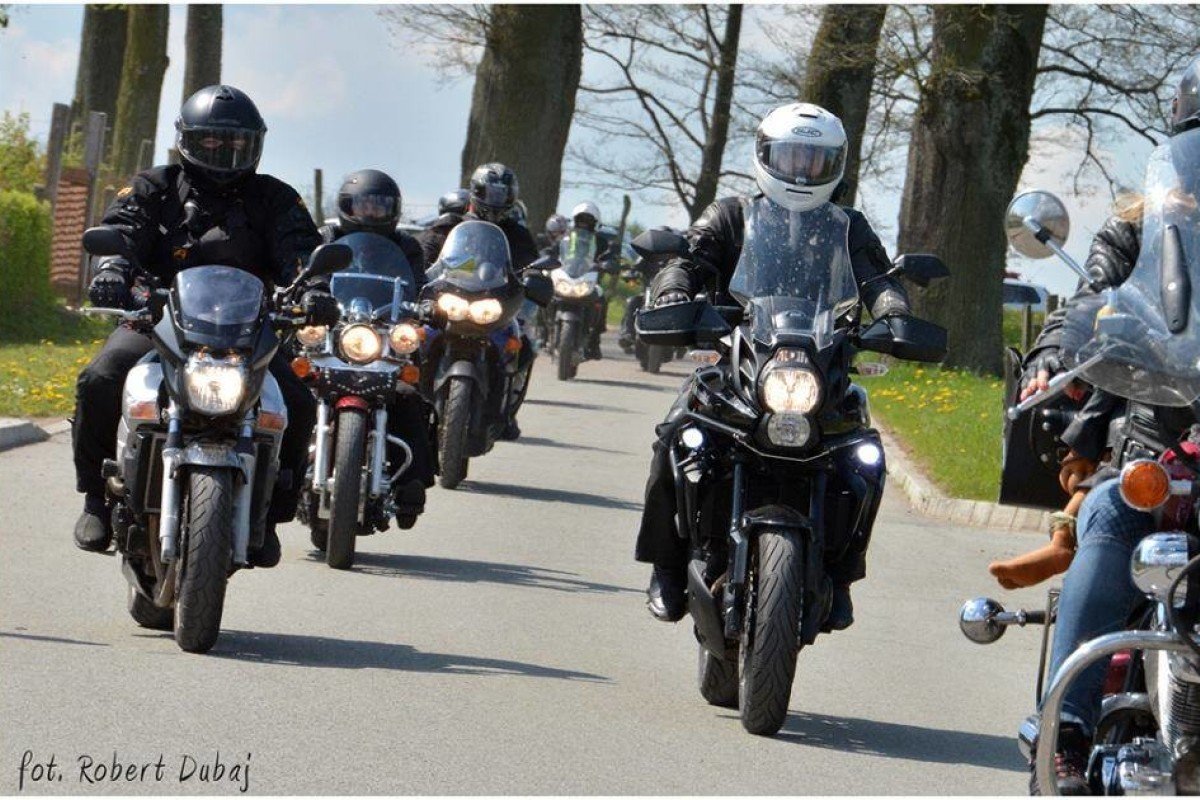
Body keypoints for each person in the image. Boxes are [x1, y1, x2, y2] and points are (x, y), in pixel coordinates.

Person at [635, 102, 910, 629]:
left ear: (834, 165)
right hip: (737, 355)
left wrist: (894, 312)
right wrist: (674, 294)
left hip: (821, 359)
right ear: (766, 157)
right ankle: (666, 565)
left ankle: (843, 572)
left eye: (814, 160)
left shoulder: (849, 227)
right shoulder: (730, 214)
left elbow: (878, 280)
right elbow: (689, 259)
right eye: (792, 157)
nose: (803, 170)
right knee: (675, 436)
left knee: (864, 458)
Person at [1018, 57, 1200, 795]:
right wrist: (1055, 353)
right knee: (1112, 512)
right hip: (1160, 444)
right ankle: (1065, 724)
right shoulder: (1134, 232)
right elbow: (1085, 302)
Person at [72, 84, 338, 567]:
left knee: (297, 401)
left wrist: (315, 287)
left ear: (254, 146)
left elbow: (300, 247)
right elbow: (124, 228)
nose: (222, 151)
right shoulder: (155, 185)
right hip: (157, 320)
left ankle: (272, 514)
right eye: (211, 141)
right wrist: (112, 268)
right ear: (187, 141)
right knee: (101, 377)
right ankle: (94, 496)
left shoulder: (275, 198)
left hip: (247, 330)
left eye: (234, 143)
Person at [316, 169, 435, 527]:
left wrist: (428, 305)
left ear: (393, 210)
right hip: (332, 331)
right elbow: (305, 271)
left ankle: (412, 481)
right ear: (347, 206)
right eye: (364, 205)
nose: (370, 213)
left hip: (383, 334)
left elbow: (420, 286)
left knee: (408, 394)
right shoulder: (327, 236)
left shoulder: (407, 246)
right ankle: (278, 474)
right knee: (293, 389)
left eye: (379, 206)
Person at [416, 163, 539, 440]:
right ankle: (406, 400)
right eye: (490, 192)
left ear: (511, 196)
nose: (495, 200)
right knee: (412, 338)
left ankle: (507, 409)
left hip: (494, 306)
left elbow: (532, 264)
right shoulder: (450, 225)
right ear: (476, 192)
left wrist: (536, 278)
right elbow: (425, 250)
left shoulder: (516, 233)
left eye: (501, 194)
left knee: (525, 345)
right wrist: (417, 270)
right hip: (450, 302)